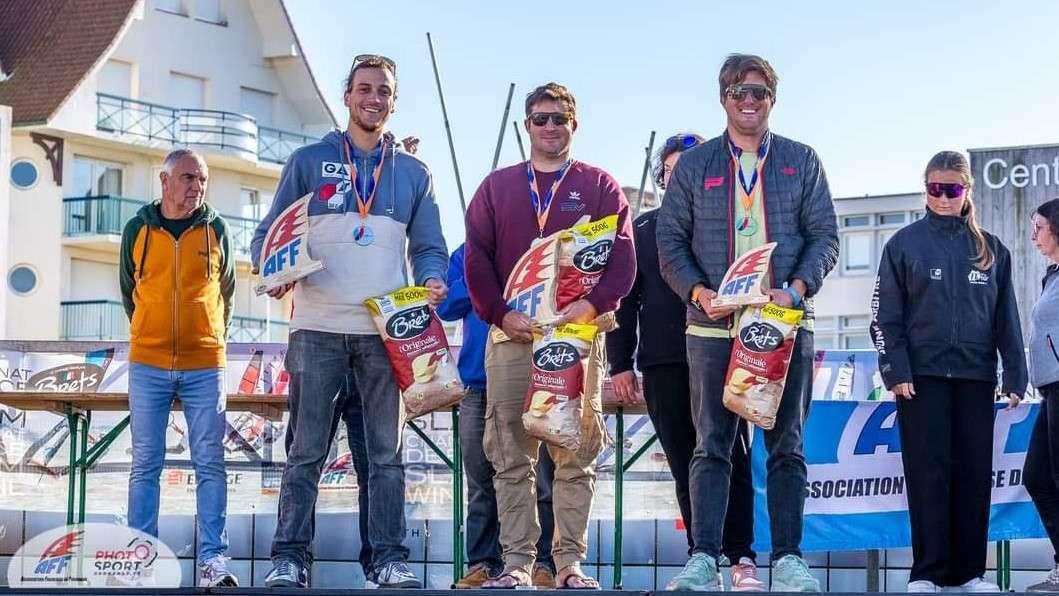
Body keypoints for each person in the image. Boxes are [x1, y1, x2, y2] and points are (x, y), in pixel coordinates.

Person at [251, 54, 449, 589]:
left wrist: (432, 277)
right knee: (306, 451)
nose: (373, 98)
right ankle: (289, 558)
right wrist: (273, 271)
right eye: (364, 88)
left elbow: (430, 247)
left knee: (384, 456)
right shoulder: (308, 160)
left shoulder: (413, 173)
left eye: (383, 90)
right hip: (315, 327)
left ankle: (387, 558)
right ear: (347, 96)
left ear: (393, 100)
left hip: (386, 333)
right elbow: (268, 236)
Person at [657, 54, 839, 592]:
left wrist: (798, 288)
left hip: (781, 322)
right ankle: (704, 558)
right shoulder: (693, 167)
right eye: (738, 92)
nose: (749, 101)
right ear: (723, 99)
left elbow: (824, 237)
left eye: (758, 92)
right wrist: (697, 291)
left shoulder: (801, 160)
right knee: (711, 444)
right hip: (712, 326)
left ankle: (789, 559)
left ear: (772, 99)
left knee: (787, 445)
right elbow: (670, 243)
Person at [464, 82, 636, 588]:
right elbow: (476, 258)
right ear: (526, 126)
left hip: (576, 339)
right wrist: (498, 313)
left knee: (575, 453)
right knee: (510, 452)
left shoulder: (601, 185)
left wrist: (591, 304)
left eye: (559, 119)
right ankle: (516, 562)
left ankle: (566, 563)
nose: (550, 128)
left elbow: (623, 259)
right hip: (513, 338)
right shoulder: (496, 187)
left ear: (573, 125)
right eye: (540, 119)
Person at [608, 132, 762, 591]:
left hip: (722, 355)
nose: (679, 178)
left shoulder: (729, 225)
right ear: (661, 177)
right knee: (684, 461)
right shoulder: (642, 230)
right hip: (664, 362)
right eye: (670, 170)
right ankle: (703, 556)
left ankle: (742, 556)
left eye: (688, 168)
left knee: (731, 456)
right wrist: (620, 363)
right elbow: (624, 303)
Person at [871, 150, 1026, 593]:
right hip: (920, 380)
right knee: (928, 473)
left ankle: (970, 573)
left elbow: (1006, 319)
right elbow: (885, 317)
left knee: (974, 474)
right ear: (925, 190)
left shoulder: (992, 249)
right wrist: (895, 369)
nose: (942, 197)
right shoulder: (903, 244)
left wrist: (1015, 375)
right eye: (935, 189)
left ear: (966, 191)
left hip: (977, 379)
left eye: (952, 189)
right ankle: (928, 573)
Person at [119, 148, 237, 587]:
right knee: (145, 464)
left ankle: (213, 562)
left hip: (206, 363)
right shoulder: (138, 228)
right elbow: (129, 290)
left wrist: (211, 337)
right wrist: (150, 334)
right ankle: (142, 560)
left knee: (210, 462)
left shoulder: (217, 228)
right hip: (147, 363)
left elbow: (227, 293)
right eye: (188, 178)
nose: (197, 187)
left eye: (203, 180)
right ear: (164, 181)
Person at [436, 243, 558, 589]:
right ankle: (483, 562)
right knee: (481, 480)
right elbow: (446, 305)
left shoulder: (543, 247)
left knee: (542, 479)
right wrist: (486, 282)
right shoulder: (467, 252)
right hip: (478, 382)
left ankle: (543, 563)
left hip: (538, 378)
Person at [1024, 198, 1059, 593]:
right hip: (1050, 389)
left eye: (1040, 227)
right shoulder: (1051, 276)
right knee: (1037, 476)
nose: (1034, 235)